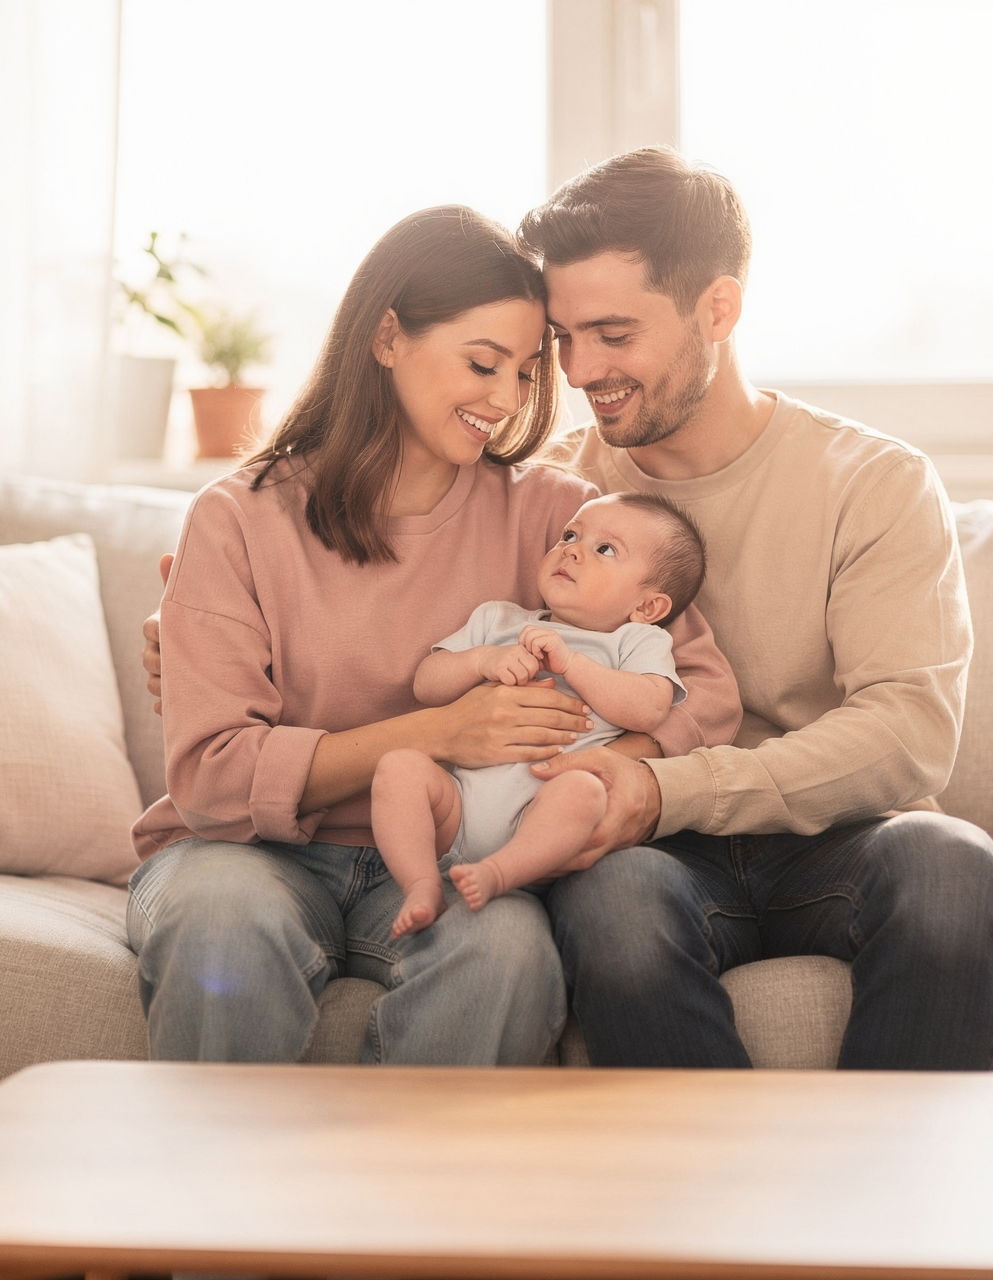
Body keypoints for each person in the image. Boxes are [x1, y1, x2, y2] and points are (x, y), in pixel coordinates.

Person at [128, 204, 738, 1066]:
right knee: (224, 929)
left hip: (449, 852)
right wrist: (438, 734)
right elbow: (210, 775)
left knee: (509, 953)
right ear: (386, 338)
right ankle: (228, 1200)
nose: (504, 399)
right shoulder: (238, 518)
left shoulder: (558, 516)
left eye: (526, 374)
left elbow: (705, 696)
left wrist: (594, 754)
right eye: (483, 363)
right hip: (243, 856)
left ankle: (415, 1198)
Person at [514, 147, 993, 1070]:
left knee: (949, 863)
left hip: (836, 839)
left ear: (719, 308)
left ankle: (893, 1209)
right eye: (564, 339)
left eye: (614, 335)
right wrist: (218, 619)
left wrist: (674, 788)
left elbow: (907, 733)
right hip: (649, 858)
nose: (582, 370)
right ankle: (721, 1210)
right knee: (611, 906)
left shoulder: (873, 480)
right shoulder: (549, 493)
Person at [372, 491, 720, 939]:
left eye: (605, 549)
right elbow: (427, 683)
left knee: (583, 792)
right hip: (454, 810)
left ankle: (501, 873)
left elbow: (651, 708)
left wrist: (574, 664)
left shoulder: (635, 642)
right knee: (398, 767)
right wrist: (480, 661)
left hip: (540, 817)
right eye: (569, 535)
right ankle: (421, 884)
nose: (571, 549)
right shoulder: (497, 620)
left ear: (647, 607)